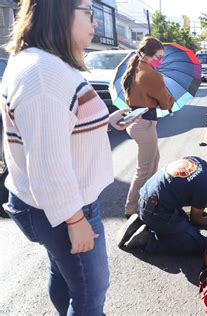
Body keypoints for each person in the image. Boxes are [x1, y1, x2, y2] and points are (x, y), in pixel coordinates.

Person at [0, 0, 133, 314]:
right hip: (66, 207)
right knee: (90, 292)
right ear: (59, 12)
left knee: (64, 274)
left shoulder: (41, 63)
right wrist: (75, 220)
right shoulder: (44, 74)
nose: (95, 22)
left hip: (53, 204)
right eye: (88, 12)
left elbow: (61, 126)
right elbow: (47, 163)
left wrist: (107, 121)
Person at [116, 153, 207, 255]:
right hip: (157, 212)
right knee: (199, 245)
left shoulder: (196, 161)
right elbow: (196, 218)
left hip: (145, 200)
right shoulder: (206, 184)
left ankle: (143, 221)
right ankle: (147, 240)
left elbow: (199, 200)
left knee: (186, 224)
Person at [121, 36, 175, 218]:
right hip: (144, 125)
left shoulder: (135, 67)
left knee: (153, 162)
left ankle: (146, 200)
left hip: (137, 122)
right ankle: (131, 209)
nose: (160, 60)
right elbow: (166, 104)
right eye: (158, 57)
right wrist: (169, 98)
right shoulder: (151, 74)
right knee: (144, 170)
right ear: (148, 55)